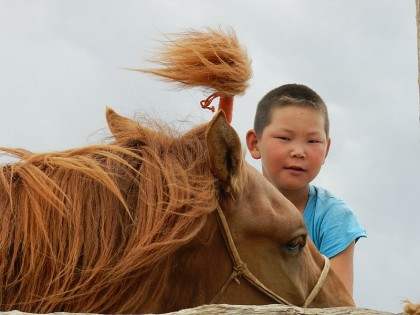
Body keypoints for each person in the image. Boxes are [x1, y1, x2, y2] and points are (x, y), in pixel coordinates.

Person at [246, 83, 366, 296]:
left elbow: (340, 303)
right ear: (255, 143)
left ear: (326, 149)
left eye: (312, 141)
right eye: (284, 138)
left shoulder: (333, 216)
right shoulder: (235, 206)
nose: (299, 152)